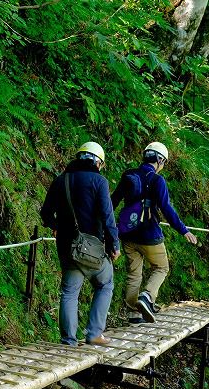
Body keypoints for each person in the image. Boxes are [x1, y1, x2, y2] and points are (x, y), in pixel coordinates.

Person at [40, 142, 121, 346]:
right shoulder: (99, 182)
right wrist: (114, 245)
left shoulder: (61, 180)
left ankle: (69, 340)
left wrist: (56, 225)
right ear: (97, 162)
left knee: (69, 292)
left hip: (67, 247)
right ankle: (94, 333)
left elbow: (45, 213)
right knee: (106, 283)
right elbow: (107, 216)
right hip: (92, 249)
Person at [111, 142, 198, 324]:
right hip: (150, 235)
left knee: (134, 274)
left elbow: (113, 201)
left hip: (127, 233)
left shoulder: (129, 175)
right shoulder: (157, 181)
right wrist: (184, 230)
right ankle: (147, 297)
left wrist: (108, 228)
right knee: (161, 267)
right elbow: (166, 209)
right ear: (159, 160)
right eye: (164, 162)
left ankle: (133, 314)